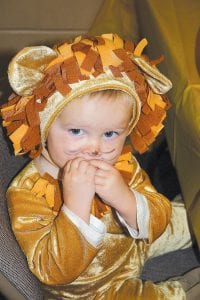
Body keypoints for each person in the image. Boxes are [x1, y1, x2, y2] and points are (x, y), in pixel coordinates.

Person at [0, 33, 198, 299]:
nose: (95, 148)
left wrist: (126, 199)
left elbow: (156, 210)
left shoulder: (121, 165)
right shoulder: (27, 192)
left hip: (132, 246)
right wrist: (75, 207)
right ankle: (183, 289)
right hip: (94, 288)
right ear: (44, 126)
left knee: (186, 217)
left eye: (110, 134)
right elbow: (53, 271)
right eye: (77, 131)